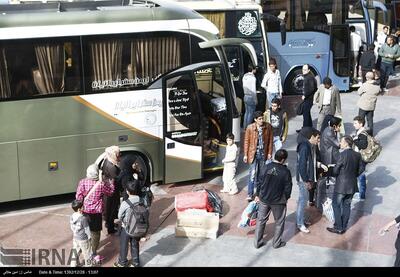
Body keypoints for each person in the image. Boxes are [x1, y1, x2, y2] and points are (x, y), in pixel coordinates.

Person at [254, 149, 292, 249]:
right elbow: (288, 188)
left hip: (264, 199)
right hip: (278, 201)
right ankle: (276, 243)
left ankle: (257, 242)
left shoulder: (266, 167)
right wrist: (286, 198)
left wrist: (257, 194)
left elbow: (259, 182)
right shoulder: (285, 171)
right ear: (283, 160)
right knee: (279, 222)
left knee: (261, 220)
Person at [327, 136, 364, 234]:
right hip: (352, 184)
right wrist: (354, 175)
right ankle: (343, 226)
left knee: (336, 204)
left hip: (341, 185)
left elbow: (335, 170)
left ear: (347, 143)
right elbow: (361, 168)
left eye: (342, 142)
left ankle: (338, 227)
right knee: (347, 205)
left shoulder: (342, 155)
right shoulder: (357, 155)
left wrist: (334, 171)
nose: (340, 143)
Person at [75, 164, 114, 257]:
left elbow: (78, 197)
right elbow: (110, 192)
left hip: (85, 211)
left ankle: (78, 254)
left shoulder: (82, 182)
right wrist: (111, 183)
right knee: (95, 232)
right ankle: (93, 251)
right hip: (96, 213)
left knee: (83, 232)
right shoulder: (101, 184)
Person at [296, 128, 325, 233]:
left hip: (306, 178)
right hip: (304, 179)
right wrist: (306, 180)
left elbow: (310, 163)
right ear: (311, 137)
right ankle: (300, 223)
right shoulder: (304, 147)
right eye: (317, 138)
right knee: (302, 201)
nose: (318, 140)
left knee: (302, 200)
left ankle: (301, 219)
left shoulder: (310, 146)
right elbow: (302, 166)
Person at [243, 111, 273, 201]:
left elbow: (270, 141)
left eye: (262, 118)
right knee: (252, 174)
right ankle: (250, 193)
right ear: (255, 120)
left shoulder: (268, 127)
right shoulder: (250, 128)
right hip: (253, 154)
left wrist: (269, 153)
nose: (261, 120)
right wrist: (245, 154)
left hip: (263, 153)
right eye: (259, 119)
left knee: (261, 175)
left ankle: (258, 194)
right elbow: (246, 141)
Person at [114, 180, 142, 267]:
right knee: (135, 244)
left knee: (124, 245)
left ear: (127, 191)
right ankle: (136, 263)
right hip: (137, 227)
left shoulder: (125, 203)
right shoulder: (141, 200)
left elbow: (119, 216)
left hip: (126, 227)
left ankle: (122, 262)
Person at [316, 117, 341, 212]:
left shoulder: (329, 129)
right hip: (329, 157)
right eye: (339, 126)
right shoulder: (329, 132)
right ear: (334, 126)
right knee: (329, 176)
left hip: (329, 155)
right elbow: (338, 144)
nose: (340, 127)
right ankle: (327, 196)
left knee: (329, 176)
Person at [101, 145, 122, 235]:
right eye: (118, 154)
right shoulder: (112, 167)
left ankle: (108, 224)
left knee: (107, 208)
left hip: (107, 189)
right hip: (112, 191)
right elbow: (117, 179)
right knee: (111, 209)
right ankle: (111, 228)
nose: (119, 155)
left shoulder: (106, 160)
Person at [70, 200, 95, 267]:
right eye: (82, 207)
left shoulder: (72, 215)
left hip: (75, 237)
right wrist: (90, 237)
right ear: (79, 209)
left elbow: (71, 226)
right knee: (87, 253)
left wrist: (75, 233)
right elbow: (87, 229)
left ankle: (73, 265)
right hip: (83, 239)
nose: (83, 207)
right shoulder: (83, 218)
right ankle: (89, 265)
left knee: (75, 251)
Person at [357, 72, 381, 136]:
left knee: (360, 119)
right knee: (370, 120)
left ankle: (359, 133)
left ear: (367, 78)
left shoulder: (365, 85)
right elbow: (378, 92)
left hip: (363, 106)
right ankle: (370, 134)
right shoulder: (377, 85)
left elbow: (359, 92)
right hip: (371, 106)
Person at [351, 116, 368, 201]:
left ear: (361, 124)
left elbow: (363, 145)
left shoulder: (363, 133)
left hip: (361, 159)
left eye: (355, 123)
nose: (354, 125)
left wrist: (355, 140)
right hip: (359, 157)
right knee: (359, 175)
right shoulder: (360, 132)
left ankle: (361, 195)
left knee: (361, 176)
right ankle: (359, 194)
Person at [300, 64, 317, 129]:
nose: (303, 71)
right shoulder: (307, 76)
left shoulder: (309, 77)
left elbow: (312, 88)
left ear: (309, 70)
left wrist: (305, 95)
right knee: (307, 113)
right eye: (303, 69)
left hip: (309, 99)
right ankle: (309, 127)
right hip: (308, 98)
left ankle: (305, 129)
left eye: (305, 70)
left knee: (305, 114)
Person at [242, 65, 258, 129]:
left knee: (247, 112)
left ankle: (244, 127)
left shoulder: (245, 76)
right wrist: (256, 99)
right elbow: (253, 90)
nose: (256, 70)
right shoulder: (253, 78)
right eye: (255, 69)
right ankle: (248, 128)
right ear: (253, 70)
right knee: (251, 114)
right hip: (251, 97)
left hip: (245, 96)